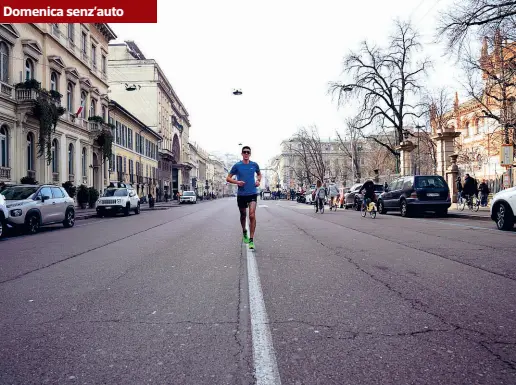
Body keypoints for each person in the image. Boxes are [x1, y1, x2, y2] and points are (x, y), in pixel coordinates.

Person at [226, 146, 262, 250]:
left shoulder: (254, 165)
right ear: (242, 154)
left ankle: (251, 240)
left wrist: (258, 181)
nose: (246, 154)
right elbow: (228, 178)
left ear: (250, 154)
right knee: (243, 215)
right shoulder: (237, 165)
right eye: (244, 152)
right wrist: (237, 182)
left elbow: (259, 175)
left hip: (252, 193)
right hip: (241, 194)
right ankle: (244, 232)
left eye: (248, 152)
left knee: (252, 215)